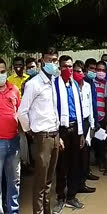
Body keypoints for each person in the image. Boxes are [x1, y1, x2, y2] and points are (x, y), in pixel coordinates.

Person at [18, 47, 60, 214]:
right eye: (49, 60)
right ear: (42, 60)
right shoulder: (33, 84)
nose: (52, 63)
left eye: (55, 60)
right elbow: (22, 112)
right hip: (42, 137)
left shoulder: (52, 81)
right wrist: (31, 131)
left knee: (49, 181)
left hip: (55, 135)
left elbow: (53, 110)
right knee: (40, 182)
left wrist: (58, 134)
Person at [53, 55, 85, 213]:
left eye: (70, 66)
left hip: (75, 129)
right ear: (60, 68)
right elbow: (53, 111)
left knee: (74, 164)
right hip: (63, 130)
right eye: (65, 66)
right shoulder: (54, 85)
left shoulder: (74, 85)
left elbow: (79, 110)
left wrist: (81, 134)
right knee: (61, 165)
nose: (68, 69)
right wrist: (58, 135)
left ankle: (71, 196)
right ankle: (60, 197)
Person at [0, 58, 21, 214]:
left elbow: (20, 112)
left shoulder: (14, 89)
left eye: (2, 71)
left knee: (14, 181)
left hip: (14, 141)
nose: (0, 74)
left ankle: (12, 211)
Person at [72, 60, 96, 194]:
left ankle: (82, 183)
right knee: (76, 155)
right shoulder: (71, 86)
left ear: (84, 73)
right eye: (75, 71)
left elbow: (91, 106)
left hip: (86, 122)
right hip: (76, 124)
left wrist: (92, 124)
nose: (78, 74)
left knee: (85, 154)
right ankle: (75, 184)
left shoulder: (87, 86)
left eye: (80, 71)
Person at [83, 58, 100, 181]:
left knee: (88, 147)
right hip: (84, 121)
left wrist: (95, 120)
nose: (93, 71)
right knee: (84, 148)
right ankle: (84, 173)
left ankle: (87, 171)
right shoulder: (83, 83)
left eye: (95, 69)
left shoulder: (92, 83)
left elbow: (93, 104)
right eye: (91, 69)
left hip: (92, 119)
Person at [92, 61, 107, 172]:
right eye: (99, 70)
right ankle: (96, 159)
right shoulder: (91, 82)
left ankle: (102, 161)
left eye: (103, 70)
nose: (101, 72)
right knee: (93, 140)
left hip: (103, 117)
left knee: (102, 140)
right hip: (93, 117)